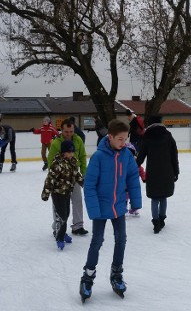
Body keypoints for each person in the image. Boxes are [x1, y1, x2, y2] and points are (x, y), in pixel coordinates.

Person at [79, 119, 142, 302]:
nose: (124, 143)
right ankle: (88, 276)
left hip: (119, 207)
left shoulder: (126, 155)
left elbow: (132, 177)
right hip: (100, 207)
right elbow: (89, 185)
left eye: (126, 139)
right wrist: (94, 209)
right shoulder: (98, 157)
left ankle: (116, 273)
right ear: (110, 137)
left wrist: (135, 201)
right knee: (97, 240)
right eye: (120, 139)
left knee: (121, 239)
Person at [136, 115, 179, 234]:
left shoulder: (147, 137)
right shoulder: (168, 136)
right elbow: (174, 156)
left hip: (153, 173)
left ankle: (156, 223)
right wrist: (176, 171)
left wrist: (133, 167)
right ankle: (161, 219)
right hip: (167, 171)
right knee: (163, 197)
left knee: (154, 198)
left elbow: (141, 157)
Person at [47, 119, 88, 236]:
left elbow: (82, 156)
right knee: (59, 204)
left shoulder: (78, 140)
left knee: (77, 200)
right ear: (61, 130)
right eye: (66, 132)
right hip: (60, 180)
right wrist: (55, 178)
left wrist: (84, 173)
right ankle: (57, 226)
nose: (69, 134)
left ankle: (78, 226)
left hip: (73, 176)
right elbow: (51, 161)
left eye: (71, 131)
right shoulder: (56, 143)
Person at [41, 140, 84, 250]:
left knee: (67, 213)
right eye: (69, 152)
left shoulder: (72, 162)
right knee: (62, 216)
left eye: (72, 152)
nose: (71, 154)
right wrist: (46, 193)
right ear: (63, 152)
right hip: (57, 193)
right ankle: (59, 237)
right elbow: (50, 179)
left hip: (67, 193)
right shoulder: (57, 164)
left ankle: (63, 232)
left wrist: (85, 184)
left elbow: (77, 175)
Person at [125, 143, 145, 217]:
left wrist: (144, 177)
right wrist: (144, 177)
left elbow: (140, 170)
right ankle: (130, 209)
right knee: (131, 196)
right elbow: (141, 170)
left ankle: (133, 209)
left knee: (129, 197)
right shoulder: (134, 161)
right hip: (130, 184)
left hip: (129, 183)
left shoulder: (134, 161)